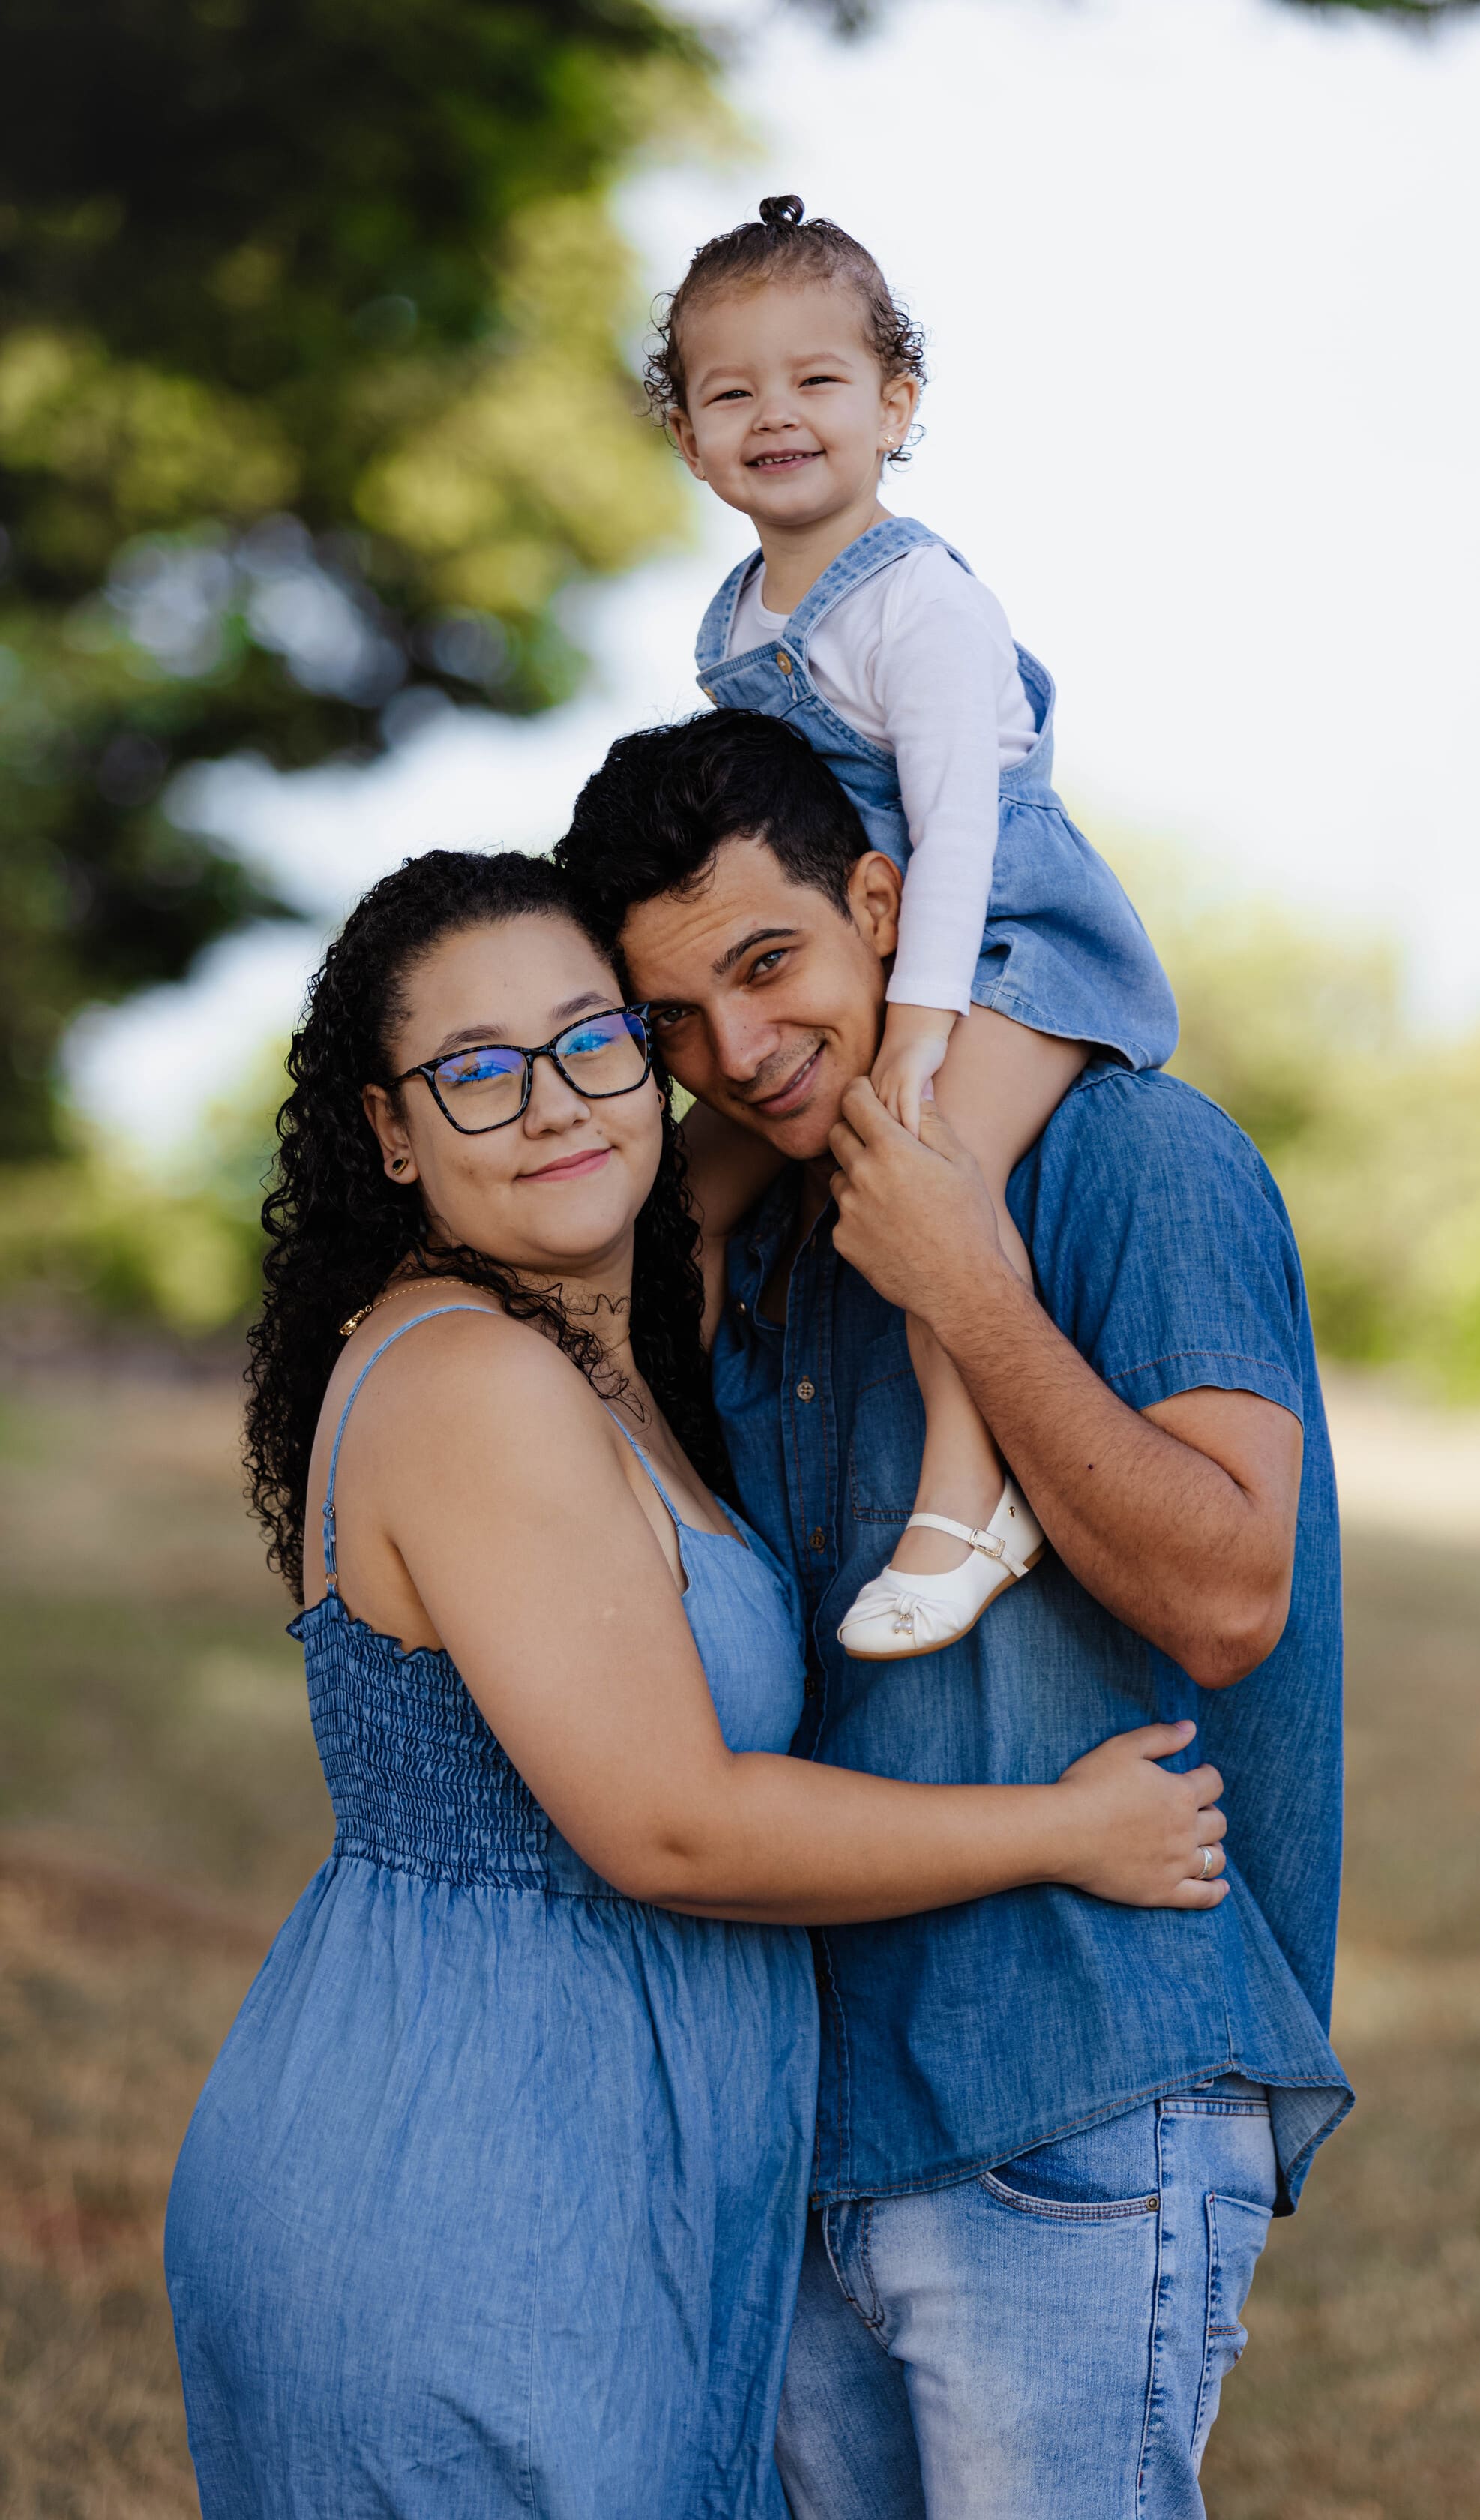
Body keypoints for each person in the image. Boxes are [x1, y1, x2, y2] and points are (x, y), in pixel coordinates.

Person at [163, 848, 1232, 2520]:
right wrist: (1063, 1829)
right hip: (469, 2190)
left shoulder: (605, 1338)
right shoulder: (473, 1382)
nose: (548, 1104)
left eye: (591, 1038)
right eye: (474, 1071)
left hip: (580, 2168)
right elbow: (669, 1828)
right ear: (391, 1131)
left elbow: (883, 1043)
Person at [562, 716, 1353, 2520]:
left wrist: (967, 1295)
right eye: (670, 1021)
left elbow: (1230, 1593)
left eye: (770, 967)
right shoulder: (740, 1232)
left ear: (883, 901)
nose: (737, 1053)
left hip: (1072, 2099)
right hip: (801, 2114)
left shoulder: (1130, 1155)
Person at [645, 193, 1179, 1657]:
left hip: (1003, 940)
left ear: (896, 404)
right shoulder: (741, 616)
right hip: (880, 949)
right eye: (729, 391)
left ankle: (969, 1492)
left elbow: (951, 838)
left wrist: (920, 1033)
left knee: (925, 1163)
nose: (775, 415)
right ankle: (653, 1441)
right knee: (692, 1181)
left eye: (816, 381)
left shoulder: (919, 602)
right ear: (686, 435)